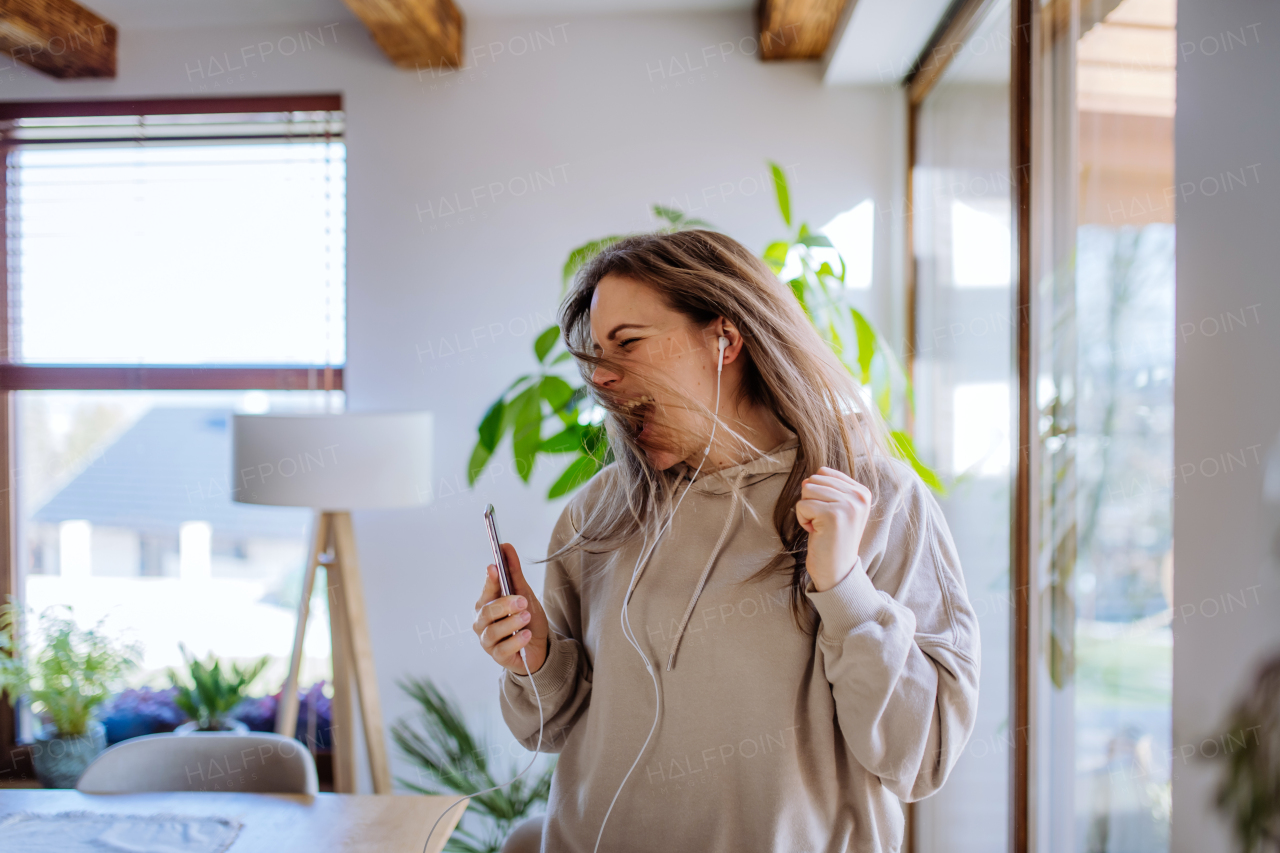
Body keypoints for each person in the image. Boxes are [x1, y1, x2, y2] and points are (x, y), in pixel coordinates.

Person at [472, 230, 980, 853]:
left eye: (627, 343)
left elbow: (920, 756)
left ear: (725, 338)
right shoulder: (599, 513)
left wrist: (845, 590)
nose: (601, 378)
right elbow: (544, 728)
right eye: (596, 354)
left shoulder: (874, 500)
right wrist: (537, 654)